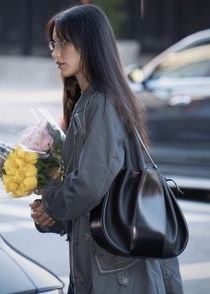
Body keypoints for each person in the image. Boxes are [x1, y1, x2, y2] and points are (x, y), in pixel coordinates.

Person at [29, 4, 184, 294]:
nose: (55, 52)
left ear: (89, 43)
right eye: (53, 43)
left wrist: (50, 200)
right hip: (105, 265)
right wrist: (55, 218)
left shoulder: (101, 103)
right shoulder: (90, 101)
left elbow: (88, 186)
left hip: (117, 275)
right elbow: (98, 195)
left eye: (64, 42)